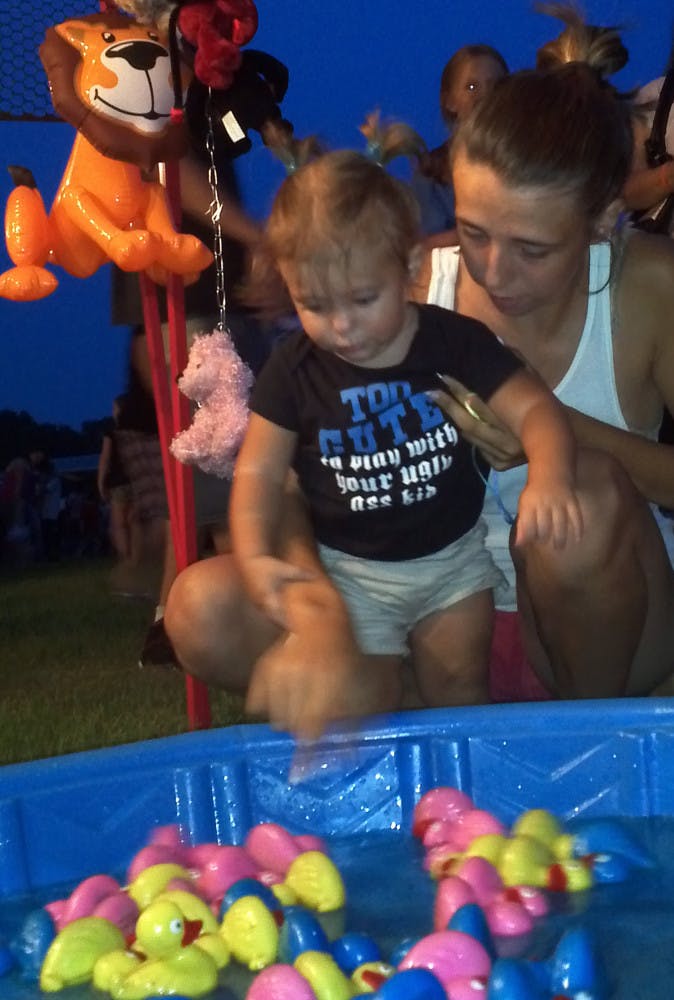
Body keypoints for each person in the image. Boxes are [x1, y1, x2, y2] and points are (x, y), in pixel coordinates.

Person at [167, 146, 584, 733]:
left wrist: (550, 474)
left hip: (452, 564)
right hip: (350, 573)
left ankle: (464, 781)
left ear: (409, 267)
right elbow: (259, 474)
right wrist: (256, 556)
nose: (342, 326)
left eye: (364, 299)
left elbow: (536, 408)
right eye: (313, 304)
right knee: (367, 700)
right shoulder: (293, 369)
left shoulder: (453, 340)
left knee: (460, 689)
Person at [411, 4, 674, 702]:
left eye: (533, 250)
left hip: (619, 627)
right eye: (473, 233)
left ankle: (585, 742)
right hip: (456, 618)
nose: (494, 273)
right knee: (208, 610)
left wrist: (545, 428)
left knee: (579, 503)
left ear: (602, 221)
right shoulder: (417, 287)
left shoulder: (650, 287)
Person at [411, 44, 508, 250]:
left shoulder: (527, 159)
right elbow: (427, 243)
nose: (485, 95)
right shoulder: (431, 172)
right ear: (450, 101)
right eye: (471, 87)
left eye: (495, 85)